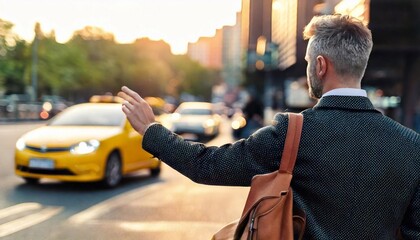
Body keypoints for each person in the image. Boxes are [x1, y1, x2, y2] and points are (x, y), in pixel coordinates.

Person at [118, 14, 420, 239]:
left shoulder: (293, 133)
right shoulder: (412, 145)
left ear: (320, 66)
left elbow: (207, 166)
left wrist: (152, 130)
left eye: (306, 61)